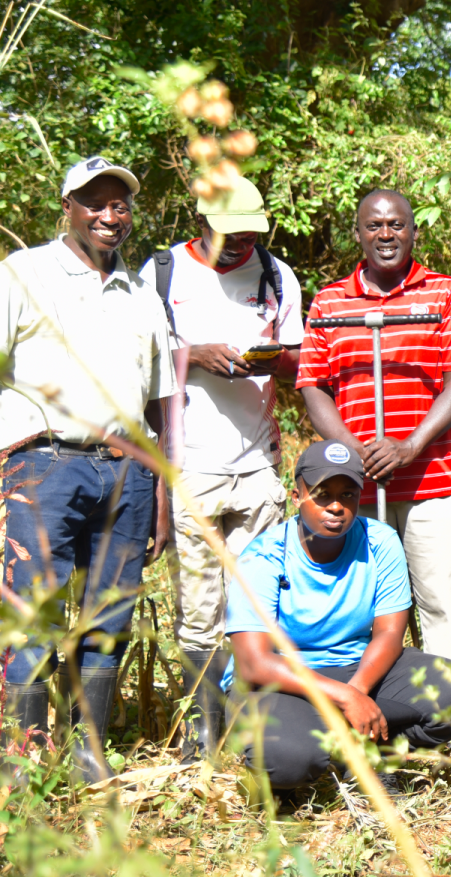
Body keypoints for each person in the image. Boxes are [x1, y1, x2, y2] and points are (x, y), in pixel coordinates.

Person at [1, 156, 179, 781]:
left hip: (128, 473)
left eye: (121, 205)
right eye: (94, 203)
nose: (110, 216)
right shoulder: (21, 274)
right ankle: (24, 758)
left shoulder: (141, 293)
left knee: (110, 614)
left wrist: (161, 487)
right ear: (68, 207)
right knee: (35, 613)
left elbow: (161, 397)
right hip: (42, 464)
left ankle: (87, 754)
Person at [139, 177, 303, 759]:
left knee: (256, 605)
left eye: (249, 233)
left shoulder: (278, 276)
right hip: (193, 467)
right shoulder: (162, 274)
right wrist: (196, 354)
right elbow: (140, 363)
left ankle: (251, 729)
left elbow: (297, 365)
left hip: (258, 466)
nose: (239, 243)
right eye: (228, 232)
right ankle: (200, 736)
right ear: (202, 219)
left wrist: (270, 358)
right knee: (200, 608)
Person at [224, 440, 451, 790]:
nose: (335, 506)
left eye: (347, 495)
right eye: (321, 494)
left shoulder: (380, 540)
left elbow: (390, 634)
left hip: (357, 668)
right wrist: (346, 698)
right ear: (296, 494)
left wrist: (358, 690)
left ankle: (374, 751)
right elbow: (255, 663)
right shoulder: (263, 556)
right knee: (289, 763)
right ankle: (327, 750)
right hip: (283, 680)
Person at [299, 189, 451, 669]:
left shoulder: (445, 294)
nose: (386, 234)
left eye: (397, 225)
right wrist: (351, 450)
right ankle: (368, 709)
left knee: (444, 606)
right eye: (375, 225)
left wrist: (410, 445)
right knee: (362, 609)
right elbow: (313, 386)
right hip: (356, 488)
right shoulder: (329, 303)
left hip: (433, 483)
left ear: (413, 231)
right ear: (358, 234)